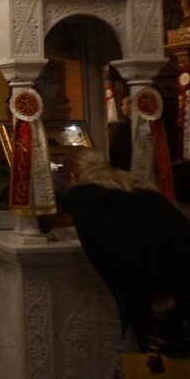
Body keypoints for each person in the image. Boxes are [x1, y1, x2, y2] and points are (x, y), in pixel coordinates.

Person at [61, 148, 190, 353]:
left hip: (158, 291)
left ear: (71, 177)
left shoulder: (82, 195)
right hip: (180, 280)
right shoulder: (136, 186)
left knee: (156, 355)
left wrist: (157, 294)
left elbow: (120, 246)